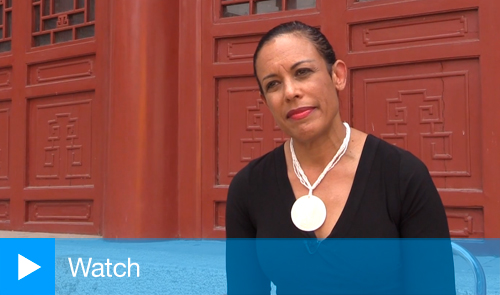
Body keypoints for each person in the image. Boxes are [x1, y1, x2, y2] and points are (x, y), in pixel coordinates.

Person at [225, 21, 455, 294]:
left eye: (303, 72)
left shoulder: (402, 176)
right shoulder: (249, 188)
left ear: (338, 76)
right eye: (273, 84)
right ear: (265, 102)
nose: (290, 92)